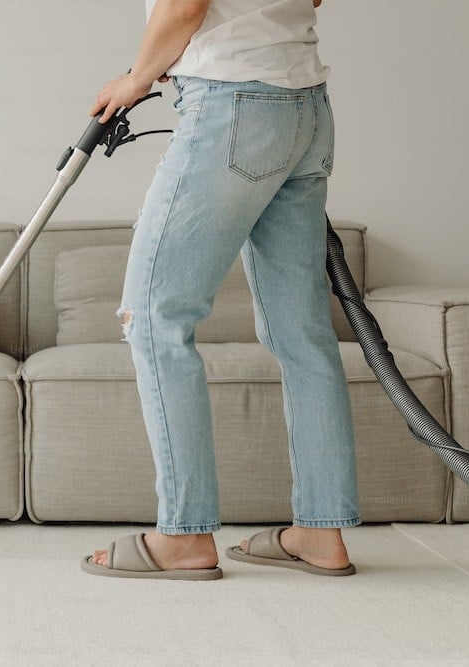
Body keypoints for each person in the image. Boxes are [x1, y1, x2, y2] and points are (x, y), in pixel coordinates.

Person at [81, 0, 360, 580]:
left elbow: (186, 4)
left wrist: (137, 77)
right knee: (303, 334)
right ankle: (320, 532)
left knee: (155, 317)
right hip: (306, 108)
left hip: (232, 102)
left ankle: (183, 536)